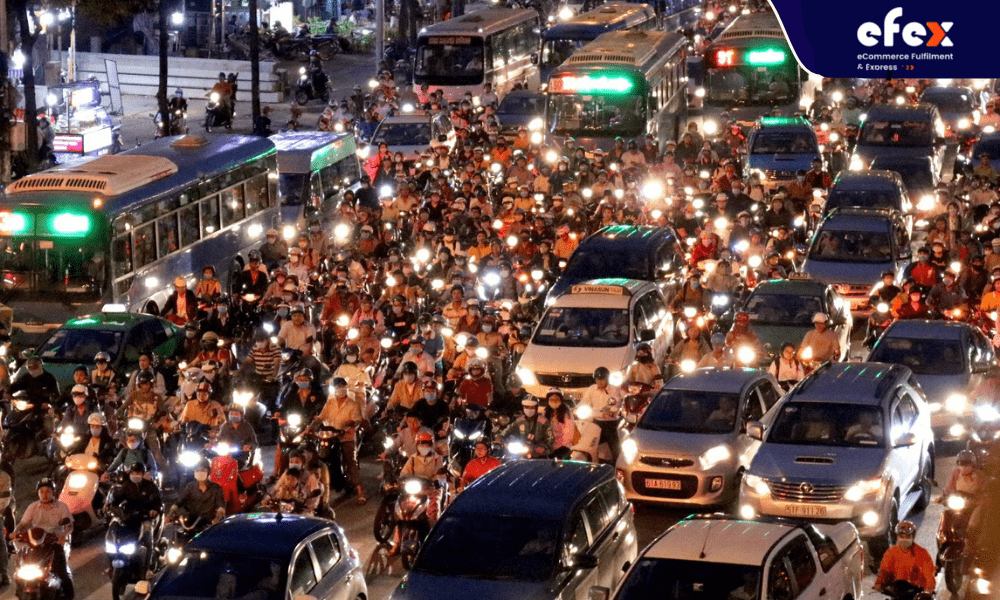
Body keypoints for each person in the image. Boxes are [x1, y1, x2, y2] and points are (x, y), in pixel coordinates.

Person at [13, 479, 73, 598]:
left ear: (53, 492)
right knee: (20, 570)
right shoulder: (33, 507)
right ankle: (20, 592)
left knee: (61, 572)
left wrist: (63, 535)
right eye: (42, 491)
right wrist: (15, 532)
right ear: (38, 493)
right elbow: (23, 523)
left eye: (47, 491)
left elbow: (69, 526)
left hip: (54, 542)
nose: (45, 494)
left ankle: (69, 595)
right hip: (36, 543)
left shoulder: (61, 507)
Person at [316, 380, 366, 503]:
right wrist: (310, 428)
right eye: (338, 387)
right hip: (330, 436)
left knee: (351, 462)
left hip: (346, 437)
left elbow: (357, 420)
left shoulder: (353, 404)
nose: (341, 388)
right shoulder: (330, 403)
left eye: (343, 386)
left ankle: (360, 492)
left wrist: (350, 426)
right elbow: (321, 417)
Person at [108, 462, 163, 557]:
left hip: (145, 517)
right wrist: (110, 507)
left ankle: (147, 566)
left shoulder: (150, 486)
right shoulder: (126, 486)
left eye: (138, 473)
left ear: (142, 474)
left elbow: (157, 502)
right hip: (129, 516)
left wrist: (154, 510)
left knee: (147, 532)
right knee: (113, 527)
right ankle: (112, 562)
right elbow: (116, 500)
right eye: (133, 473)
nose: (135, 475)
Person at [873, 521, 936, 593]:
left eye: (908, 536)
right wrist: (879, 583)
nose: (904, 539)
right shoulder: (891, 552)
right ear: (897, 537)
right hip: (897, 591)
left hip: (917, 591)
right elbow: (884, 571)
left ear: (913, 537)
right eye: (901, 536)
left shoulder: (922, 553)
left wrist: (928, 589)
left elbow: (929, 575)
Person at [398, 432, 446, 523]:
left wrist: (437, 481)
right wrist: (401, 479)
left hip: (431, 488)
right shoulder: (412, 458)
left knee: (434, 506)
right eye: (421, 444)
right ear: (417, 445)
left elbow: (441, 475)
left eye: (426, 444)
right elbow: (404, 473)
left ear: (431, 445)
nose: (424, 446)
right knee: (401, 505)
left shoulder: (437, 459)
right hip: (414, 488)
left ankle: (433, 525)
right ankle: (398, 530)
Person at [579, 367, 624, 462]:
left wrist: (611, 411)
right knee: (588, 444)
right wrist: (576, 409)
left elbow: (616, 403)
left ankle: (617, 465)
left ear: (607, 379)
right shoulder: (592, 389)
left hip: (610, 424)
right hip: (596, 422)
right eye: (598, 379)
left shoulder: (613, 389)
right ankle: (589, 463)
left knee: (615, 446)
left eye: (602, 379)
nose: (600, 382)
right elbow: (584, 401)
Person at [265, 450, 322, 515]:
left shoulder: (309, 476)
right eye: (291, 462)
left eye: (297, 462)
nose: (293, 464)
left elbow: (316, 492)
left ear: (303, 462)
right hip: (285, 506)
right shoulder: (286, 474)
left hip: (303, 507)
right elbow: (276, 488)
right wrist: (268, 497)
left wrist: (307, 497)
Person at [543, 389, 575, 459]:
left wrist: (563, 447)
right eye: (552, 400)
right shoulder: (546, 412)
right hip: (549, 447)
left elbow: (569, 432)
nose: (554, 402)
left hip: (563, 448)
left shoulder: (566, 413)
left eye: (556, 399)